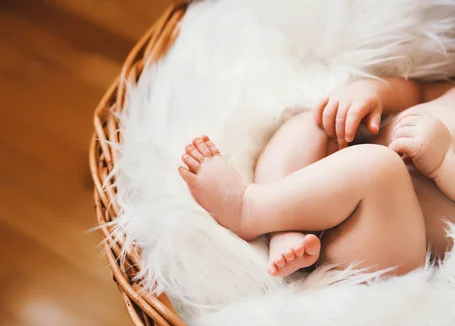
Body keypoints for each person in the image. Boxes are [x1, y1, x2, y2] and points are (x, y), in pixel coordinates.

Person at [178, 77, 455, 277]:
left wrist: (444, 158)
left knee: (380, 166)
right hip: (336, 194)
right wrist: (371, 91)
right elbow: (416, 91)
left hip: (385, 246)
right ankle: (285, 231)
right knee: (316, 124)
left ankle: (248, 208)